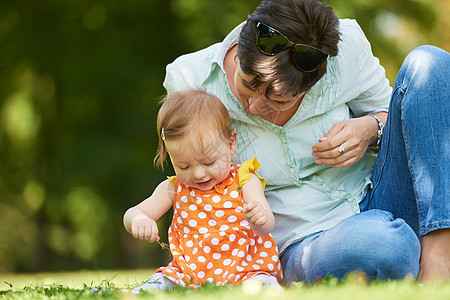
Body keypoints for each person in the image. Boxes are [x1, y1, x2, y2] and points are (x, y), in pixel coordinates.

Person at [161, 0, 449, 283]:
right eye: (248, 86)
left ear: (311, 85)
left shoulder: (348, 50)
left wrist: (371, 127)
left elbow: (407, 118)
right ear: (239, 54)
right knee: (383, 246)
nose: (254, 107)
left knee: (429, 63)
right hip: (306, 238)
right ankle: (401, 251)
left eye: (277, 101)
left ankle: (438, 258)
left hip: (381, 193)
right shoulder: (190, 79)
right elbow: (194, 182)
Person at [123, 89, 283, 292]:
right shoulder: (173, 189)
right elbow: (133, 213)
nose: (198, 174)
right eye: (184, 166)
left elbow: (266, 226)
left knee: (260, 286)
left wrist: (259, 218)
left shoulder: (244, 179)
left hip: (245, 270)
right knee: (155, 286)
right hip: (187, 274)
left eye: (208, 162)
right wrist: (139, 220)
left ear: (231, 143)